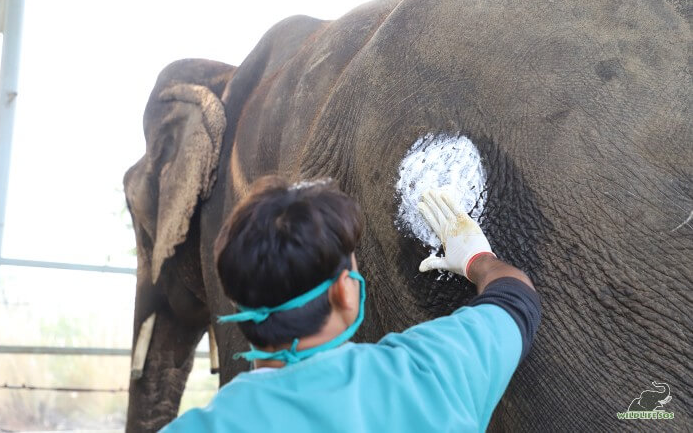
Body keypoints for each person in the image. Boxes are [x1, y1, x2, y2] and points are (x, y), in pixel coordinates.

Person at [162, 176, 541, 432]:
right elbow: (515, 298)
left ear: (237, 301)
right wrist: (477, 259)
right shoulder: (431, 372)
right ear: (346, 291)